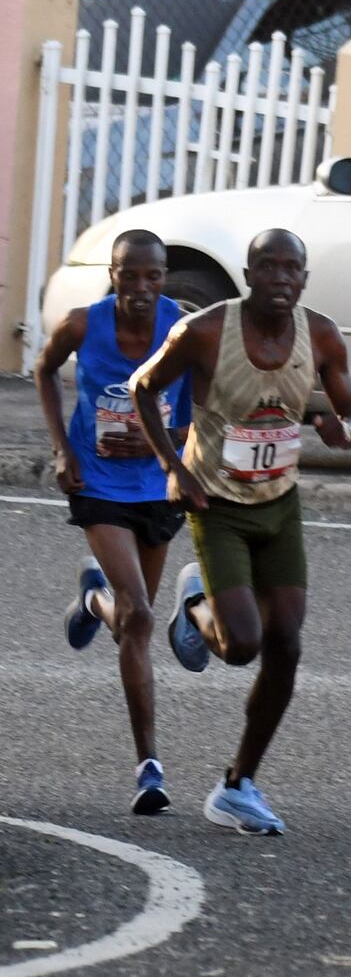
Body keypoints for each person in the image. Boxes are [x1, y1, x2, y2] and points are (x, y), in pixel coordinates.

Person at [130, 227, 351, 836]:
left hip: (279, 504)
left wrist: (345, 429)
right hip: (217, 503)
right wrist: (173, 469)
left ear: (305, 280)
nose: (282, 280)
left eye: (294, 270)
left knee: (287, 643)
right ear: (250, 272)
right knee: (243, 646)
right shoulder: (203, 332)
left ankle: (237, 785)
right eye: (270, 268)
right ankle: (195, 604)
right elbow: (143, 389)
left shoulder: (322, 335)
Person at [35, 229, 192, 814]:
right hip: (97, 485)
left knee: (131, 625)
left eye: (154, 277)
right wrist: (60, 448)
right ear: (115, 273)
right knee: (144, 616)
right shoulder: (83, 324)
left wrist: (164, 444)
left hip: (158, 486)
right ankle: (149, 767)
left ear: (163, 278)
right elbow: (43, 370)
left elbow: (201, 408)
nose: (142, 289)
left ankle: (94, 599)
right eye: (131, 275)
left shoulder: (183, 327)